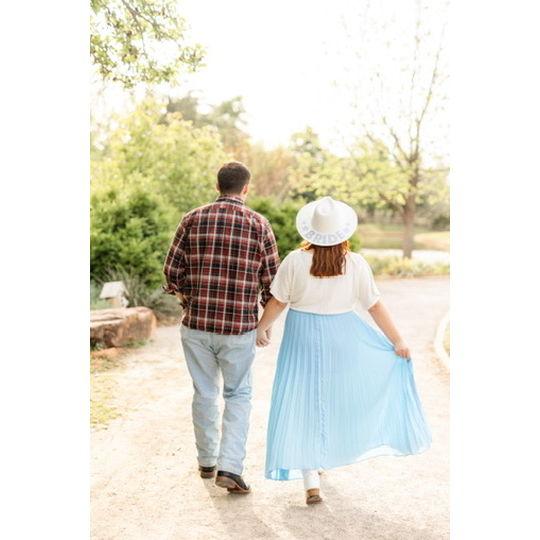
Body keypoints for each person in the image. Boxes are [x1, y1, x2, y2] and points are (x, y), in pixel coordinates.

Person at [256, 196, 431, 505]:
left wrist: (262, 326)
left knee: (304, 398)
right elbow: (374, 306)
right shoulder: (355, 263)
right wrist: (397, 340)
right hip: (343, 336)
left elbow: (279, 301)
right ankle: (322, 457)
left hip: (301, 336)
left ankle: (310, 478)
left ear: (311, 230)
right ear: (343, 232)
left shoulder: (295, 260)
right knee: (330, 398)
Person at [163, 161, 280, 494]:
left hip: (197, 326)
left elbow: (171, 273)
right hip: (238, 329)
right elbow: (273, 283)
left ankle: (206, 461)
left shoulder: (192, 219)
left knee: (204, 392)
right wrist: (264, 324)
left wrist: (189, 299)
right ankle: (229, 467)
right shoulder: (259, 225)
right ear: (246, 188)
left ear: (218, 186)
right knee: (238, 395)